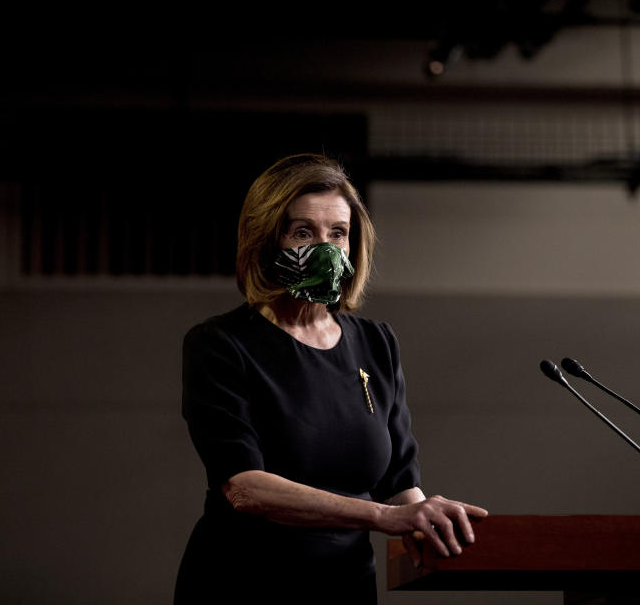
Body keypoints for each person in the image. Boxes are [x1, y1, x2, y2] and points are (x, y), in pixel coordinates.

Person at [174, 154, 487, 603]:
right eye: (303, 232)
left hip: (346, 587)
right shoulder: (221, 344)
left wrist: (425, 517)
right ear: (267, 240)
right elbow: (244, 488)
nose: (324, 247)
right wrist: (382, 517)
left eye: (337, 233)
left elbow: (399, 481)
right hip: (242, 583)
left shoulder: (376, 344)